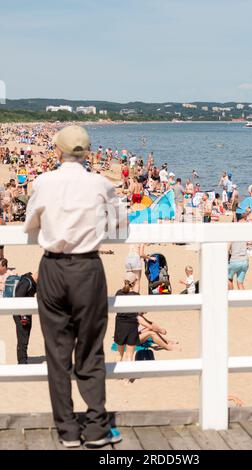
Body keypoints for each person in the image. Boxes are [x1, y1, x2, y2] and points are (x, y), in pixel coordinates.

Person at [23, 125, 124, 449]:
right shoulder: (99, 183)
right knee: (91, 349)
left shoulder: (43, 182)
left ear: (57, 150)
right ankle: (95, 427)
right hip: (87, 268)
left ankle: (67, 430)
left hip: (52, 266)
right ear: (87, 153)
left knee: (57, 351)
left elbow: (30, 225)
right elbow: (120, 226)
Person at [13, 272, 38, 365]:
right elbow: (18, 297)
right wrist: (23, 315)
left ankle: (23, 359)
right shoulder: (27, 282)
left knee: (25, 334)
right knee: (22, 335)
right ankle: (22, 361)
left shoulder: (32, 282)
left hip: (25, 312)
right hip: (21, 313)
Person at [228, 214, 249, 290]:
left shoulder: (232, 233)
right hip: (245, 261)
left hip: (235, 260)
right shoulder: (244, 232)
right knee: (240, 283)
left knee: (229, 279)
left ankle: (231, 297)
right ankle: (243, 300)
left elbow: (228, 248)